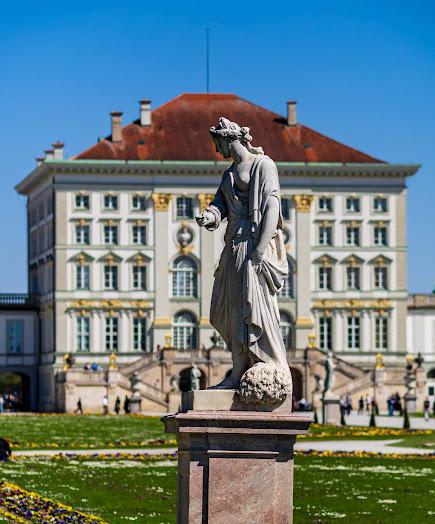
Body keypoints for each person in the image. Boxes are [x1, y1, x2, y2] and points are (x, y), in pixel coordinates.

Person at [195, 117, 290, 389]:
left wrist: (260, 249)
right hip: (234, 247)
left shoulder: (264, 165)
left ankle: (266, 363)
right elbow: (219, 205)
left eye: (218, 143)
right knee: (232, 308)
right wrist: (210, 216)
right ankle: (238, 371)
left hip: (254, 245)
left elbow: (272, 207)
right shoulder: (228, 174)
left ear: (229, 139)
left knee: (256, 306)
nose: (217, 150)